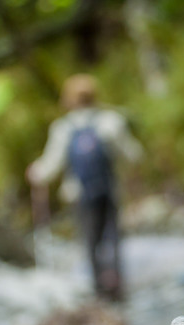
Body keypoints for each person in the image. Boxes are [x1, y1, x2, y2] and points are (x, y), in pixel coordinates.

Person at [26, 74, 143, 301]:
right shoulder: (111, 121)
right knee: (113, 238)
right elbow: (134, 154)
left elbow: (50, 167)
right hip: (110, 188)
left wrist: (34, 173)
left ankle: (99, 290)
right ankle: (118, 288)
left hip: (79, 194)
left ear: (69, 99)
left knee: (90, 241)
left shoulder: (63, 128)